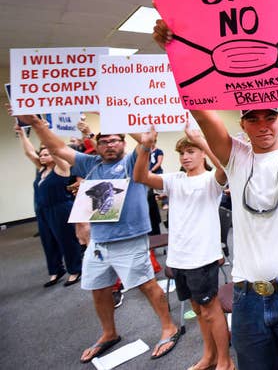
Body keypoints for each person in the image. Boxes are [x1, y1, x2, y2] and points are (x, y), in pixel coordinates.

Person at [153, 9, 278, 370]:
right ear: (243, 123)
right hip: (248, 296)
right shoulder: (235, 158)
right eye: (254, 117)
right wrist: (174, 52)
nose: (263, 124)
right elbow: (201, 111)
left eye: (271, 116)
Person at [14, 115, 180, 363]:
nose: (109, 145)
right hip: (99, 241)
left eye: (114, 141)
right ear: (96, 144)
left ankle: (169, 327)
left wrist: (114, 113)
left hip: (130, 238)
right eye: (104, 141)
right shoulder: (89, 164)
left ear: (123, 143)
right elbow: (57, 147)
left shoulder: (131, 161)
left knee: (146, 284)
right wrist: (37, 124)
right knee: (99, 288)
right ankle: (109, 333)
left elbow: (148, 142)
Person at [134, 125, 234, 370]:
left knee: (211, 311)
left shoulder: (210, 180)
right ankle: (209, 356)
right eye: (182, 153)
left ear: (201, 154)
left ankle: (225, 361)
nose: (186, 157)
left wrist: (201, 139)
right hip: (179, 258)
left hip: (202, 258)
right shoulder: (173, 180)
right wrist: (146, 147)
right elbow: (140, 177)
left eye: (191, 151)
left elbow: (225, 168)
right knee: (198, 311)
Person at [16, 125, 82, 287]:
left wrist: (44, 132)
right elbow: (29, 152)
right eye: (41, 154)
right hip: (42, 210)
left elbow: (55, 149)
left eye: (46, 154)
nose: (42, 156)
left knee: (66, 240)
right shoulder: (41, 170)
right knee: (48, 241)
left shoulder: (62, 168)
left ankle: (74, 270)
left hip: (60, 209)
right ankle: (55, 270)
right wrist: (22, 134)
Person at [146, 137, 164, 234]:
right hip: (147, 173)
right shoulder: (146, 151)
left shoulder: (159, 151)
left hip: (156, 172)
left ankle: (161, 199)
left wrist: (152, 170)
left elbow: (159, 162)